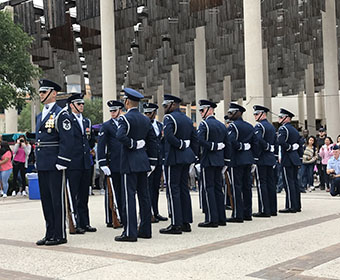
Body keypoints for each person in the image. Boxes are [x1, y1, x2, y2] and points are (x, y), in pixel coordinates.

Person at [115, 88, 158, 242]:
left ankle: (130, 232)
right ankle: (145, 230)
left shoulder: (124, 119)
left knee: (129, 197)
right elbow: (153, 142)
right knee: (144, 197)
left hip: (129, 163)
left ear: (127, 102)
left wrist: (132, 144)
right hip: (143, 162)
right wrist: (152, 161)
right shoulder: (146, 120)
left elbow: (119, 135)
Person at [35, 79, 73, 246]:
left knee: (57, 199)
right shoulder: (40, 115)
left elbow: (67, 139)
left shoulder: (61, 114)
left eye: (44, 92)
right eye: (41, 92)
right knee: (46, 200)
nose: (41, 95)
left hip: (55, 162)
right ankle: (49, 232)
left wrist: (62, 160)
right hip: (43, 162)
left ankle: (59, 234)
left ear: (54, 93)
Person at [159, 94, 199, 234]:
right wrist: (192, 154)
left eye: (165, 105)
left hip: (173, 157)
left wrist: (180, 145)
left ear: (172, 105)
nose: (164, 108)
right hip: (186, 158)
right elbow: (195, 138)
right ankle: (186, 222)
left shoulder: (169, 118)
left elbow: (169, 136)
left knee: (172, 190)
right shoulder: (187, 120)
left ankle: (176, 223)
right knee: (184, 189)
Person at [66, 93, 97, 234]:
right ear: (72, 105)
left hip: (85, 162)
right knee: (73, 194)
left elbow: (90, 140)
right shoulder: (68, 120)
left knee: (84, 194)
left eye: (82, 104)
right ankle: (74, 222)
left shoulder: (87, 122)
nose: (82, 106)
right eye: (79, 104)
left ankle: (85, 222)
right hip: (73, 162)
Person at [196, 99, 229, 227]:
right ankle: (221, 218)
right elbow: (228, 144)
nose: (200, 113)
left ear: (210, 110)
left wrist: (213, 146)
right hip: (219, 161)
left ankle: (211, 218)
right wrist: (226, 160)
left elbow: (200, 140)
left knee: (208, 189)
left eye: (202, 110)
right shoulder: (222, 125)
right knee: (218, 189)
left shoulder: (204, 125)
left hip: (208, 160)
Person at [225, 103, 257, 223]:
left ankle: (238, 214)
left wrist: (240, 146)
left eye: (231, 112)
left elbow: (231, 141)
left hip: (236, 160)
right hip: (248, 159)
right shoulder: (249, 126)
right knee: (247, 187)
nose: (229, 115)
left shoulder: (233, 127)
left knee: (236, 187)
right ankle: (247, 213)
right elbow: (255, 143)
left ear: (238, 113)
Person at [97, 100, 125, 228]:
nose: (112, 113)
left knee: (123, 191)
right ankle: (111, 217)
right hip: (113, 162)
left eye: (114, 111)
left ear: (120, 110)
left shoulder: (125, 122)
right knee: (112, 191)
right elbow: (101, 145)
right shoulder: (107, 126)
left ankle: (123, 215)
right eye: (111, 111)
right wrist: (102, 162)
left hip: (124, 161)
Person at [143, 102, 168, 223]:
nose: (147, 115)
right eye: (146, 113)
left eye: (150, 113)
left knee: (155, 188)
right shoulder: (143, 125)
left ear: (155, 113)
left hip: (158, 160)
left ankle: (156, 211)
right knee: (147, 188)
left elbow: (162, 143)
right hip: (148, 161)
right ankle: (149, 213)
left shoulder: (160, 125)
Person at [252, 105, 277, 218]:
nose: (255, 116)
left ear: (263, 114)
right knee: (270, 184)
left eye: (257, 114)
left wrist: (257, 155)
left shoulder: (259, 126)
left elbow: (257, 141)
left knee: (262, 184)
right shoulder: (271, 126)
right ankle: (272, 209)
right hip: (270, 158)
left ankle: (264, 210)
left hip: (262, 158)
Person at [277, 108, 303, 213]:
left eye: (281, 117)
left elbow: (280, 141)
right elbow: (300, 144)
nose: (279, 118)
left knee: (288, 183)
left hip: (287, 159)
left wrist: (289, 148)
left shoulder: (283, 129)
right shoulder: (294, 130)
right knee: (294, 182)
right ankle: (297, 205)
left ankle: (291, 206)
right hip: (295, 159)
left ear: (287, 118)